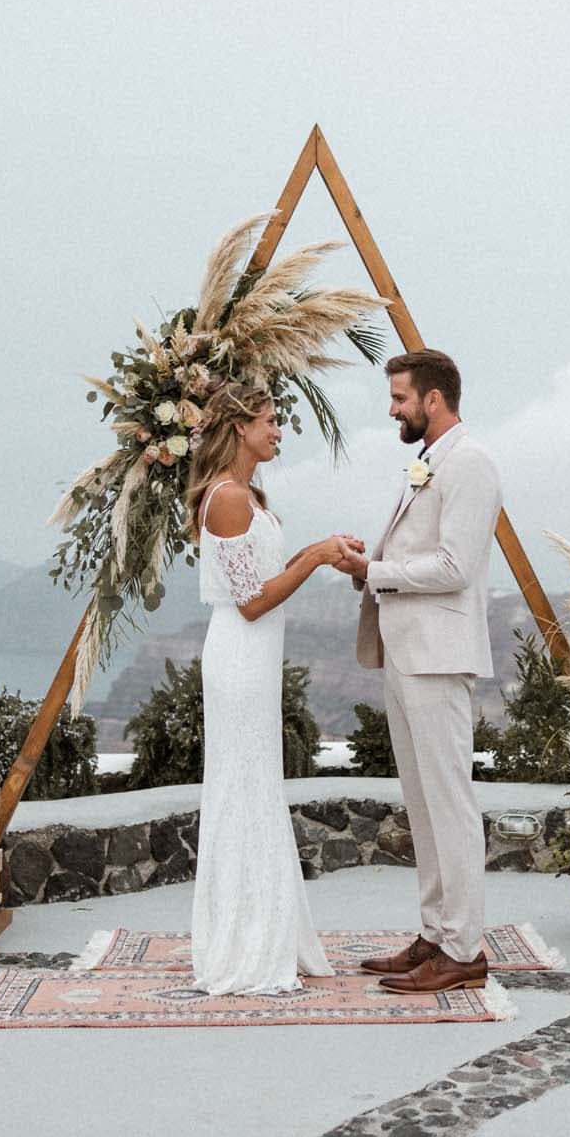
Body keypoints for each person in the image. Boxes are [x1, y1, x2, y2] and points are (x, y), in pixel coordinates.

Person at [186, 380, 365, 994]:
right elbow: (252, 602)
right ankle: (242, 943)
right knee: (242, 786)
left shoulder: (248, 495)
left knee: (258, 785)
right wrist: (315, 557)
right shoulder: (227, 498)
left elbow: (263, 585)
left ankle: (267, 929)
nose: (277, 431)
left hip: (255, 661)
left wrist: (323, 551)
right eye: (268, 421)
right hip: (239, 658)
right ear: (239, 427)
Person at [334, 348, 502, 993]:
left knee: (449, 803)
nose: (392, 408)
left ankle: (464, 949)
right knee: (422, 804)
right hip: (406, 651)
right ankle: (436, 932)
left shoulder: (472, 463)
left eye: (400, 397)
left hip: (438, 656)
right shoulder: (427, 463)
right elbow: (416, 550)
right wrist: (369, 556)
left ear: (434, 399)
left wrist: (373, 572)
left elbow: (456, 566)